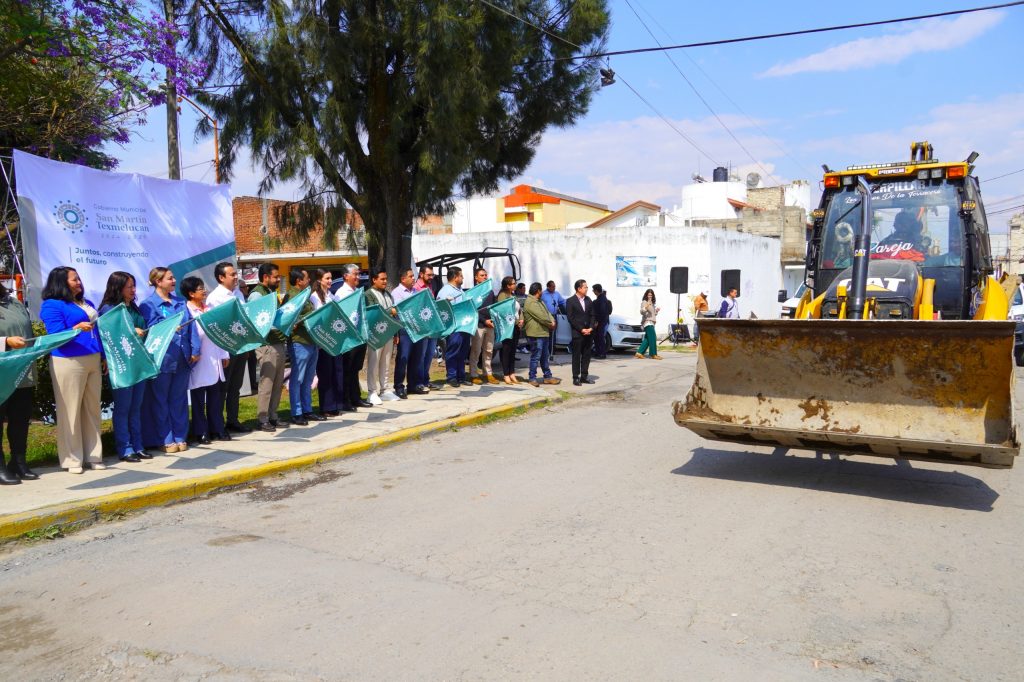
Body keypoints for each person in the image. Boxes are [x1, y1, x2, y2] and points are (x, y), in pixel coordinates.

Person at [40, 266, 104, 474]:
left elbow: (99, 332)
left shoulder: (87, 303)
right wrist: (75, 329)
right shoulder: (52, 305)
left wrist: (102, 355)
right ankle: (72, 459)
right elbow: (54, 334)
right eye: (74, 279)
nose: (79, 282)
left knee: (92, 410)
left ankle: (94, 456)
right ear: (61, 283)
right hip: (68, 360)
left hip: (93, 358)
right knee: (70, 411)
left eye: (78, 279)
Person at [140, 267, 200, 454]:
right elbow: (150, 331)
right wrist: (166, 327)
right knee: (160, 401)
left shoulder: (180, 302)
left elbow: (191, 326)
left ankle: (180, 436)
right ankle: (165, 439)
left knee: (179, 399)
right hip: (163, 359)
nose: (174, 281)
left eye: (173, 277)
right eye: (169, 278)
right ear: (158, 282)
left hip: (183, 357)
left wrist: (195, 349)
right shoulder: (148, 304)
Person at [98, 272, 150, 463]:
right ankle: (125, 448)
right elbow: (109, 337)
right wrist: (131, 332)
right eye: (129, 286)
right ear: (117, 287)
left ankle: (138, 445)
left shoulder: (134, 308)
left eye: (134, 286)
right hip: (121, 365)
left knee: (136, 407)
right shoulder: (108, 310)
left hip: (137, 363)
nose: (133, 290)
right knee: (123, 408)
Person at [180, 276, 230, 445]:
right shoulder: (187, 311)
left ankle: (218, 428)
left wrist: (224, 354)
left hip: (214, 357)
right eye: (200, 288)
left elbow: (219, 332)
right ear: (191, 293)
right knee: (199, 398)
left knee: (215, 397)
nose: (204, 291)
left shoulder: (209, 309)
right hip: (199, 360)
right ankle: (201, 431)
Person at [0, 281, 39, 483]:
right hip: (1, 374)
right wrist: (5, 342)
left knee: (20, 418)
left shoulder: (13, 303)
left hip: (20, 370)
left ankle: (18, 462)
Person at [206, 262, 251, 434]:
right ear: (221, 277)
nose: (235, 277)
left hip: (241, 346)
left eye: (235, 274)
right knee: (222, 389)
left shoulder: (238, 293)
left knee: (236, 386)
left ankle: (233, 420)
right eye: (232, 274)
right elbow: (215, 326)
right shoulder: (215, 298)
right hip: (225, 348)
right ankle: (218, 424)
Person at [248, 263, 288, 431]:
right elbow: (256, 321)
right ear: (265, 277)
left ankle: (273, 415)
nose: (278, 279)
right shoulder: (257, 295)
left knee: (278, 382)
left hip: (277, 342)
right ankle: (263, 418)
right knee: (267, 383)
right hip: (266, 345)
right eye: (276, 277)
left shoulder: (271, 293)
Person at [285, 268, 321, 425]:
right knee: (298, 379)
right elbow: (289, 317)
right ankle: (296, 412)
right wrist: (312, 316)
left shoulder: (305, 295)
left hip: (311, 341)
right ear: (298, 281)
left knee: (308, 378)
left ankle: (307, 410)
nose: (309, 281)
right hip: (299, 341)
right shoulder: (292, 296)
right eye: (306, 278)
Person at [336, 264, 372, 410]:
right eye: (355, 274)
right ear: (346, 276)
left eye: (359, 274)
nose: (358, 277)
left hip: (359, 336)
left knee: (355, 369)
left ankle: (356, 398)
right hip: (348, 338)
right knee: (347, 370)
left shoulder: (358, 291)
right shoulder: (341, 293)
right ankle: (346, 401)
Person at [310, 268, 344, 417]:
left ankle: (335, 404)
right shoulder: (314, 297)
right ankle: (325, 406)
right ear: (319, 280)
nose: (330, 281)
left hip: (334, 340)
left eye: (331, 278)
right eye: (327, 278)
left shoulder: (332, 295)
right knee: (325, 374)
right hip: (322, 342)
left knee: (334, 372)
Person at [364, 268, 399, 405]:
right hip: (375, 335)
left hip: (388, 334)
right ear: (374, 280)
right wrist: (391, 311)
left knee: (385, 362)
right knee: (373, 363)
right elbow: (375, 311)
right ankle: (372, 391)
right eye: (382, 279)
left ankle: (384, 390)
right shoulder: (368, 295)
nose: (385, 282)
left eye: (386, 279)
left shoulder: (388, 295)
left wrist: (395, 333)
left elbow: (394, 316)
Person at [436, 266, 471, 388]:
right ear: (455, 277)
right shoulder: (445, 291)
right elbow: (441, 309)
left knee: (462, 352)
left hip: (464, 326)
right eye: (461, 276)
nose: (463, 278)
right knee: (453, 352)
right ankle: (451, 376)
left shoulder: (460, 290)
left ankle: (461, 377)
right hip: (454, 328)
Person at [391, 267, 422, 399]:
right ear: (403, 279)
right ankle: (399, 386)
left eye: (413, 276)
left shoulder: (415, 291)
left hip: (417, 329)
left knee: (416, 358)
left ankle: (413, 385)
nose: (413, 278)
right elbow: (398, 312)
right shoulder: (397, 292)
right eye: (410, 276)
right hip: (404, 330)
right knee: (403, 359)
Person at [523, 282, 559, 387]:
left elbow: (547, 313)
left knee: (545, 356)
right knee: (536, 356)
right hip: (535, 334)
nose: (542, 292)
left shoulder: (540, 301)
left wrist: (553, 321)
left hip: (544, 333)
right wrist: (550, 323)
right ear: (538, 291)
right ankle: (532, 378)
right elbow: (541, 317)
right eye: (541, 290)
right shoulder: (530, 302)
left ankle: (547, 377)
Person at [468, 267, 498, 385]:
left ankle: (488, 373)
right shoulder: (473, 292)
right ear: (476, 278)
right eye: (482, 275)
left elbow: (494, 307)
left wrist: (494, 319)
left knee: (489, 350)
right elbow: (473, 310)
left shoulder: (490, 291)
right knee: (476, 350)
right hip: (479, 325)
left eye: (486, 275)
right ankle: (474, 374)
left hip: (490, 325)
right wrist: (484, 321)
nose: (485, 277)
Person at [414, 266, 442, 391]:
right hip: (422, 328)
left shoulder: (430, 286)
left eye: (432, 275)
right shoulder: (416, 288)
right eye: (429, 275)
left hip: (432, 326)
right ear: (421, 274)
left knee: (430, 354)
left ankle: (426, 380)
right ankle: (419, 381)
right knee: (421, 355)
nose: (431, 277)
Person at [565, 279, 595, 386]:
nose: (587, 289)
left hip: (589, 333)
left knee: (587, 355)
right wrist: (581, 329)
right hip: (578, 333)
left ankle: (584, 376)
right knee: (576, 356)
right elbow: (570, 318)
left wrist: (591, 328)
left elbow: (592, 315)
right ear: (579, 288)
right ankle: (575, 377)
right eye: (585, 287)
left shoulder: (588, 300)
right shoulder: (570, 301)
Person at [495, 276, 523, 384]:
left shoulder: (513, 295)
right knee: (506, 351)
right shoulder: (502, 295)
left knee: (513, 352)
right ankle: (506, 374)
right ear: (508, 285)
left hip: (516, 327)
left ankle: (512, 373)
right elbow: (504, 312)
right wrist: (516, 321)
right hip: (507, 328)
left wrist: (521, 320)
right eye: (513, 283)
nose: (515, 285)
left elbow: (519, 310)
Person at [541, 281, 566, 360]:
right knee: (546, 334)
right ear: (548, 287)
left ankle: (552, 350)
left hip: (554, 315)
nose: (554, 288)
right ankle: (545, 351)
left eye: (554, 286)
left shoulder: (557, 294)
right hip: (546, 316)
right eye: (552, 287)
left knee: (553, 334)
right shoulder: (543, 294)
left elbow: (563, 302)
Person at [636, 288, 661, 360]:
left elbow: (653, 314)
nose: (650, 296)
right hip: (647, 322)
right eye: (649, 295)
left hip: (651, 322)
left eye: (651, 295)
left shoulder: (652, 304)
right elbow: (642, 311)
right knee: (653, 337)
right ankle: (653, 354)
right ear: (646, 295)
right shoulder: (644, 302)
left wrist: (656, 311)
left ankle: (639, 353)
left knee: (647, 339)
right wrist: (647, 305)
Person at [592, 283, 612, 359]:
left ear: (596, 291)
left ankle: (602, 354)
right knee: (597, 337)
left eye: (593, 290)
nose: (593, 292)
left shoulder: (601, 299)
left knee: (600, 338)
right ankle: (598, 352)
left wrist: (597, 321)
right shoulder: (602, 299)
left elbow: (602, 311)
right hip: (602, 321)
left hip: (601, 322)